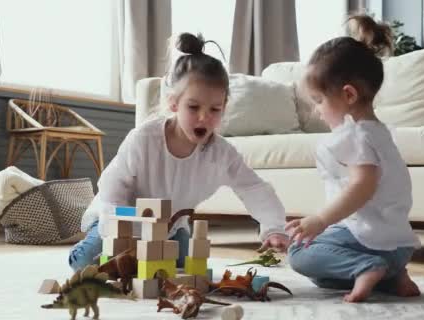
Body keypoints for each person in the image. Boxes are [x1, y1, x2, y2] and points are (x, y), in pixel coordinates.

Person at [68, 33, 289, 272]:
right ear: (174, 104)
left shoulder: (221, 154)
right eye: (194, 107)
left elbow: (254, 188)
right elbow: (114, 185)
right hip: (119, 219)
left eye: (214, 109)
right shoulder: (144, 139)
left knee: (181, 265)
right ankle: (87, 247)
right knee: (88, 264)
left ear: (224, 107)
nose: (204, 117)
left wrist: (274, 227)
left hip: (169, 228)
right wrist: (121, 230)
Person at [286, 35, 421, 302]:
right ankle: (394, 277)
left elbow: (363, 185)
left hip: (368, 242)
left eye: (319, 101)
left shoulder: (354, 135)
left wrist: (321, 220)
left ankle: (367, 267)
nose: (317, 111)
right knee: (322, 277)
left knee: (300, 253)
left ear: (348, 95)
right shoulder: (379, 133)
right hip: (399, 247)